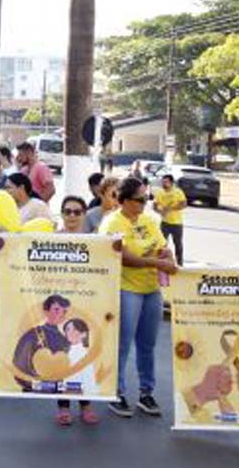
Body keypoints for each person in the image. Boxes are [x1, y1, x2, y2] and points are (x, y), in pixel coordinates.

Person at [100, 177, 177, 418]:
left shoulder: (149, 220)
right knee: (122, 344)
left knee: (148, 345)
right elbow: (125, 257)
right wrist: (157, 262)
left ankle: (146, 392)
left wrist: (166, 253)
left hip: (151, 289)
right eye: (139, 199)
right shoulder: (112, 223)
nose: (145, 203)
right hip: (126, 289)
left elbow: (162, 246)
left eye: (147, 198)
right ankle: (118, 392)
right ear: (123, 200)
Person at [55, 195, 99, 426]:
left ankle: (86, 404)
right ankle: (63, 407)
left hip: (86, 308)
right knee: (64, 357)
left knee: (85, 356)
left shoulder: (95, 242)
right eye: (68, 211)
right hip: (61, 310)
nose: (72, 216)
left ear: (84, 215)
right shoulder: (50, 239)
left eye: (77, 212)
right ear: (62, 214)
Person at [153, 174, 187, 265]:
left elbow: (183, 204)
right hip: (165, 223)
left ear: (171, 183)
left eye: (166, 182)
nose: (164, 184)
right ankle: (162, 262)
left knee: (178, 244)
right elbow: (154, 206)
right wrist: (160, 211)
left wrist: (170, 209)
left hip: (177, 223)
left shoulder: (178, 192)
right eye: (163, 182)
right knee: (162, 243)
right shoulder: (160, 193)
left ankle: (180, 263)